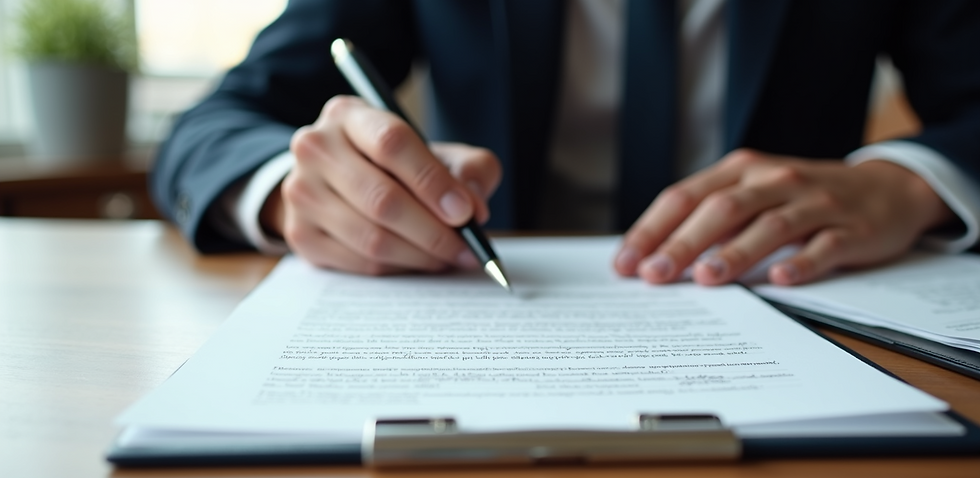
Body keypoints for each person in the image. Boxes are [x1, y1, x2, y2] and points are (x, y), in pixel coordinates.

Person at [152, 0, 980, 287]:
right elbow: (211, 129)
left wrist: (909, 186)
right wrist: (289, 189)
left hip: (794, 315)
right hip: (478, 330)